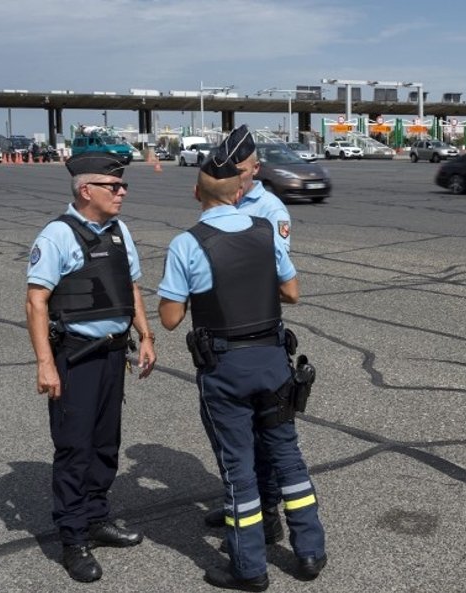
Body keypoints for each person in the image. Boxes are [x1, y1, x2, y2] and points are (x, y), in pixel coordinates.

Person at [157, 141, 326, 591]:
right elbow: (292, 293)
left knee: (238, 469)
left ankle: (249, 568)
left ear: (198, 194)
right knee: (288, 455)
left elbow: (171, 319)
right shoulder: (264, 231)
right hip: (273, 360)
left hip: (226, 366)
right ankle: (309, 551)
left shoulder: (188, 243)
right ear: (237, 193)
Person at [25, 152, 157, 583]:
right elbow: (36, 302)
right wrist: (46, 364)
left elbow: (131, 285)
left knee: (105, 444)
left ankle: (98, 518)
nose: (122, 192)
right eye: (113, 186)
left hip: (112, 354)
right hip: (75, 357)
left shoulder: (119, 232)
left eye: (123, 186)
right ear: (86, 191)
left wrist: (146, 335)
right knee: (74, 447)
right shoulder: (57, 236)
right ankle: (72, 537)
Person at [203, 125, 289, 544]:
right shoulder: (220, 198)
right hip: (221, 333)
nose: (233, 176)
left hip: (256, 330)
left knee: (264, 431)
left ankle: (268, 514)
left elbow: (281, 276)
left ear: (253, 168)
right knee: (228, 431)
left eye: (239, 169)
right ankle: (240, 502)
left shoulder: (270, 209)